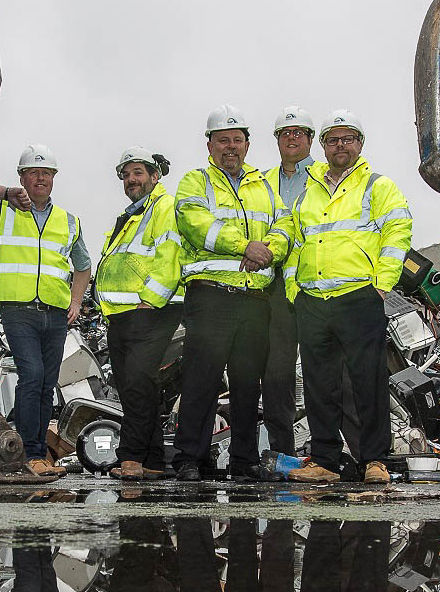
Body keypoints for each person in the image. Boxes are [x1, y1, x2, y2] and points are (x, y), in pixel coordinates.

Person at [280, 111, 413, 486]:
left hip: (359, 297)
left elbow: (398, 230)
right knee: (320, 384)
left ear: (360, 144)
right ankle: (324, 459)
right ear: (322, 147)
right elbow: (293, 243)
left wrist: (382, 284)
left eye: (348, 139)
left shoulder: (377, 186)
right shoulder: (308, 192)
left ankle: (374, 459)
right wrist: (294, 290)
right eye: (333, 140)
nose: (341, 146)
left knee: (367, 382)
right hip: (313, 300)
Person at [171, 106, 294, 482]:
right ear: (209, 145)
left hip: (254, 301)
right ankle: (190, 458)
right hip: (211, 298)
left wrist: (269, 249)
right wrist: (245, 247)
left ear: (247, 144)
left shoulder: (263, 185)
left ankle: (244, 459)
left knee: (246, 385)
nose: (230, 147)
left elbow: (286, 223)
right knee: (201, 381)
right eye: (223, 140)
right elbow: (196, 225)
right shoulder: (196, 181)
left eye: (237, 140)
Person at [0, 146, 91, 477]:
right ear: (21, 177)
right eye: (34, 173)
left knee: (47, 382)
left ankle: (37, 456)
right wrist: (6, 193)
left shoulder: (68, 221)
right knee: (32, 375)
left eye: (47, 173)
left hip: (54, 314)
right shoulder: (2, 210)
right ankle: (29, 453)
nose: (41, 178)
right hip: (18, 310)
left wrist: (76, 301)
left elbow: (83, 266)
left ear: (54, 179)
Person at [96, 147, 185, 480]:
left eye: (138, 173)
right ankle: (152, 460)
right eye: (126, 174)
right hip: (121, 314)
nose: (131, 180)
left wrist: (151, 299)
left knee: (136, 382)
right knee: (135, 385)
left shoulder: (163, 207)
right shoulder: (132, 215)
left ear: (154, 176)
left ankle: (131, 457)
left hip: (149, 311)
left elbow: (170, 255)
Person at [262, 107, 317, 467]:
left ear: (311, 139)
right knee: (276, 373)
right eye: (285, 133)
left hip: (314, 283)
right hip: (275, 284)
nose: (292, 138)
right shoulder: (262, 182)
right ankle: (283, 453)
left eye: (299, 132)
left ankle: (328, 451)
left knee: (321, 370)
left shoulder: (328, 177)